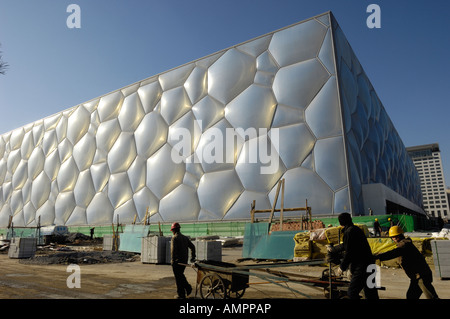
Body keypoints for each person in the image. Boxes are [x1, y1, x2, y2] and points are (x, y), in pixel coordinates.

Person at [374, 226, 439, 299]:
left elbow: (393, 253)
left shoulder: (404, 244)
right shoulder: (404, 244)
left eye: (394, 237)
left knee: (432, 297)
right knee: (411, 296)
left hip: (421, 276)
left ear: (398, 236)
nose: (393, 239)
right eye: (392, 237)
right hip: (417, 277)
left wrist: (379, 257)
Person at [328, 213, 379, 299]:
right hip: (370, 264)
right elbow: (346, 245)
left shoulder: (349, 232)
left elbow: (349, 252)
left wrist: (342, 267)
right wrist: (333, 249)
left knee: (352, 292)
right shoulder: (356, 229)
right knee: (371, 293)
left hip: (362, 266)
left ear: (341, 222)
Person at [170, 222, 196, 299]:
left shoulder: (174, 238)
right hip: (184, 261)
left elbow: (173, 251)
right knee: (180, 275)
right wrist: (192, 257)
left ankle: (182, 293)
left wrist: (173, 261)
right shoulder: (185, 238)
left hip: (177, 262)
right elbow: (193, 247)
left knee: (178, 278)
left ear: (173, 230)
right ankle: (187, 289)